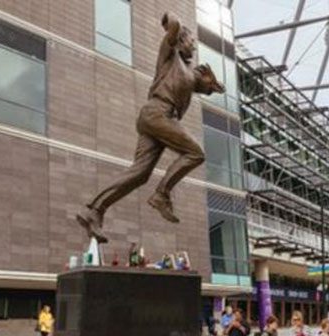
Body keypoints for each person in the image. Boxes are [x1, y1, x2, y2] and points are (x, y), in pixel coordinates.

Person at [76, 12, 225, 243]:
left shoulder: (189, 72)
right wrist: (171, 23)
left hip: (156, 119)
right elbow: (174, 23)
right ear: (181, 40)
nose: (194, 48)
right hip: (157, 112)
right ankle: (161, 195)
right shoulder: (170, 54)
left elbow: (205, 85)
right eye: (192, 42)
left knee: (140, 173)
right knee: (196, 153)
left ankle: (94, 210)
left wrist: (213, 85)